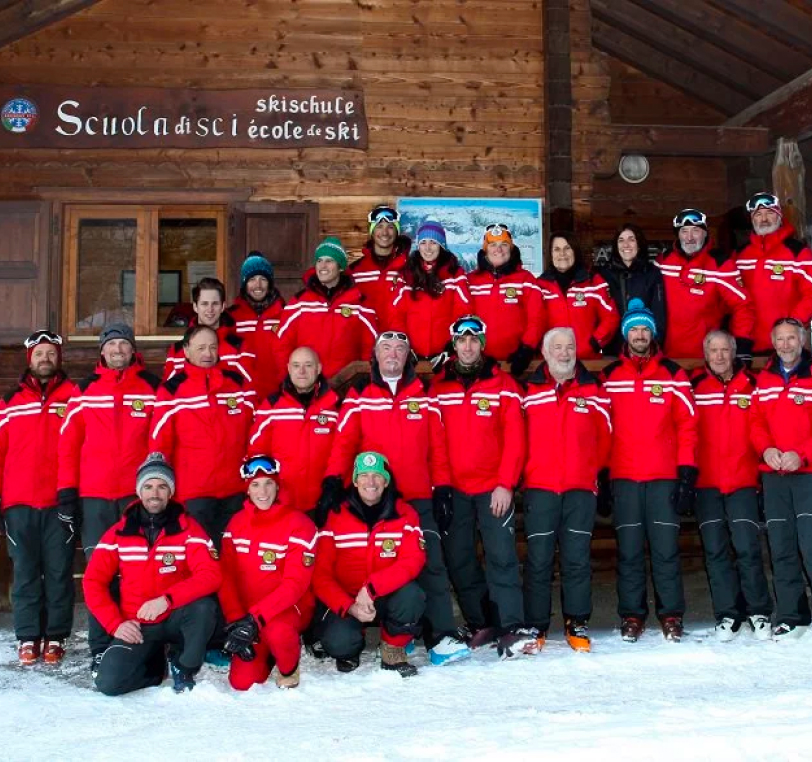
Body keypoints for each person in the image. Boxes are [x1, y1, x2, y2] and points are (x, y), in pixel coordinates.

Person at [322, 331, 470, 664]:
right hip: (372, 497)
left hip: (416, 496)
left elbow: (438, 446)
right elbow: (344, 442)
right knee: (370, 562)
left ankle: (440, 637)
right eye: (386, 348)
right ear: (375, 355)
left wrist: (443, 486)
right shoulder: (360, 393)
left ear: (408, 357)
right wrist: (333, 479)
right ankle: (364, 624)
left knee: (431, 564)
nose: (393, 354)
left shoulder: (424, 393)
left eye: (400, 349)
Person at [431, 315, 538, 657]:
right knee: (459, 558)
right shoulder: (438, 387)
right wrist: (442, 486)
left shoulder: (503, 384)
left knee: (501, 557)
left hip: (493, 488)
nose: (467, 346)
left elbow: (515, 439)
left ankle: (511, 625)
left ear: (482, 343)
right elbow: (436, 442)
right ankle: (482, 623)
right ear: (454, 344)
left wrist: (506, 484)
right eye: (461, 340)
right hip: (456, 489)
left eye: (474, 340)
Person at [57, 323, 161, 672]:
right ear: (102, 351)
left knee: (139, 571)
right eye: (111, 344)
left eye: (124, 344)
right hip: (95, 496)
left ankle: (141, 639)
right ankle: (101, 644)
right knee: (100, 573)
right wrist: (67, 494)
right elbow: (68, 446)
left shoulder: (151, 387)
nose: (118, 350)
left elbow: (158, 442)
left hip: (137, 497)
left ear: (133, 351)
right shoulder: (83, 390)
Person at [84, 453, 221, 695]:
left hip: (175, 617)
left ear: (171, 492)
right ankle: (156, 668)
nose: (154, 493)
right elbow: (93, 581)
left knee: (204, 607)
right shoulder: (119, 532)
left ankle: (184, 665)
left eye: (161, 486)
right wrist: (116, 625)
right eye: (148, 486)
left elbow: (210, 574)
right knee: (108, 684)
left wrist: (167, 600)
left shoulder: (189, 529)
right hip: (138, 624)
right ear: (139, 491)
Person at [601, 299, 698, 642]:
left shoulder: (672, 374)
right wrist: (602, 471)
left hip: (662, 478)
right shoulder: (610, 376)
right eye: (634, 330)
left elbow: (688, 426)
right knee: (628, 551)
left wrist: (686, 472)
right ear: (626, 335)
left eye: (645, 329)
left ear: (652, 333)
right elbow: (600, 426)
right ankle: (632, 615)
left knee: (665, 550)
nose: (640, 335)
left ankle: (671, 614)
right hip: (624, 477)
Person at [521, 327, 611, 652]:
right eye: (557, 347)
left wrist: (594, 473)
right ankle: (536, 625)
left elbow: (605, 437)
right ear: (545, 353)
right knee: (539, 560)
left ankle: (577, 621)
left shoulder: (594, 389)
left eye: (569, 346)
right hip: (540, 487)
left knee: (576, 559)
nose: (564, 352)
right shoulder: (529, 390)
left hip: (579, 489)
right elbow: (518, 438)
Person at [313, 452, 425, 677]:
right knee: (339, 644)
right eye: (363, 476)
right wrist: (350, 606)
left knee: (412, 596)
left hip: (386, 594)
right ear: (354, 481)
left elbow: (414, 560)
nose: (370, 482)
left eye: (377, 476)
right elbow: (320, 575)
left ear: (386, 481)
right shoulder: (336, 515)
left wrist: (373, 587)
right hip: (348, 599)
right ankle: (352, 646)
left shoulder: (405, 513)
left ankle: (392, 647)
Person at [691, 330, 772, 641]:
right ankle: (728, 613)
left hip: (742, 481)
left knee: (748, 548)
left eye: (725, 350)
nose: (720, 356)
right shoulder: (696, 387)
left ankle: (759, 611)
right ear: (706, 354)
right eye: (714, 350)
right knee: (715, 550)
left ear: (734, 352)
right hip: (707, 483)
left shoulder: (752, 385)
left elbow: (762, 427)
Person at [0, 330, 74, 665]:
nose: (45, 359)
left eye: (51, 353)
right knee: (26, 572)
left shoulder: (74, 396)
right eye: (39, 354)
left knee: (59, 572)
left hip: (58, 501)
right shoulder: (9, 401)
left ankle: (56, 636)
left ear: (59, 358)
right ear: (29, 359)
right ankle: (28, 637)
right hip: (18, 503)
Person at [150, 325, 255, 548]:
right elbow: (159, 444)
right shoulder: (171, 390)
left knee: (233, 558)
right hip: (194, 493)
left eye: (212, 347)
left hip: (234, 489)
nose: (207, 354)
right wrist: (161, 486)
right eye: (201, 348)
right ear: (186, 351)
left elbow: (254, 432)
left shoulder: (237, 384)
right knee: (200, 558)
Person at [219, 455, 317, 690]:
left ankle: (288, 667)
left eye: (268, 483)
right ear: (248, 490)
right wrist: (236, 622)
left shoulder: (299, 524)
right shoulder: (236, 524)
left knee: (279, 633)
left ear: (277, 485)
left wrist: (255, 618)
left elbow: (295, 584)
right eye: (255, 484)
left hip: (285, 611)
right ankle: (268, 654)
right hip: (248, 618)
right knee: (242, 683)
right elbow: (226, 576)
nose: (262, 491)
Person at [750, 317, 812, 640]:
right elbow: (756, 422)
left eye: (792, 338)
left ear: (802, 341)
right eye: (780, 339)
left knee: (810, 543)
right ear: (773, 343)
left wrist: (801, 454)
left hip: (807, 474)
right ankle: (792, 614)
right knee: (782, 545)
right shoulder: (765, 380)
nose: (786, 345)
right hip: (774, 475)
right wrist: (767, 449)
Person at [248, 347, 341, 513]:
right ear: (289, 368)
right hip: (283, 502)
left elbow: (342, 451)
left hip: (323, 501)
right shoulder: (272, 405)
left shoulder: (335, 406)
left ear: (318, 368)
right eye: (296, 366)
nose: (302, 371)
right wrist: (268, 491)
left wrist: (332, 488)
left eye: (308, 365)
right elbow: (257, 452)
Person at [655, 209, 754, 361]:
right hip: (666, 358)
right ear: (678, 235)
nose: (689, 237)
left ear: (705, 233)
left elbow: (742, 305)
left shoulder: (720, 264)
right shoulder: (664, 261)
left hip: (707, 359)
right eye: (684, 231)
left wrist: (741, 344)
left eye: (696, 231)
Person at [277, 237, 378, 379]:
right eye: (319, 261)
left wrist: (363, 381)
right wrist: (288, 381)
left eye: (329, 261)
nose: (322, 266)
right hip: (308, 387)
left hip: (347, 386)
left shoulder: (359, 303)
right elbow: (282, 346)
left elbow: (370, 348)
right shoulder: (299, 303)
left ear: (340, 266)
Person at [736, 193, 812, 355]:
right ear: (752, 219)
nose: (764, 219)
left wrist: (791, 325)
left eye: (770, 213)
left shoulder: (798, 252)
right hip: (748, 345)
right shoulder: (740, 255)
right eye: (758, 214)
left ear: (779, 217)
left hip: (787, 346)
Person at [390, 220, 471, 368]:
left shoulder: (455, 274)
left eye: (433, 242)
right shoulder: (406, 275)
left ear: (441, 245)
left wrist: (451, 347)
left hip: (445, 357)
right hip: (412, 357)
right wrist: (404, 345)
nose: (427, 248)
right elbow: (396, 315)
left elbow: (463, 312)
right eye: (423, 242)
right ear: (418, 245)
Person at [467, 224, 545, 376]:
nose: (499, 249)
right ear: (485, 249)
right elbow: (463, 318)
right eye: (493, 245)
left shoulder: (525, 279)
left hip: (516, 364)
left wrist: (526, 349)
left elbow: (537, 317)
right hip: (479, 364)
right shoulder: (471, 281)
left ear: (511, 249)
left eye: (504, 245)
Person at [537, 232, 619, 359]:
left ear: (575, 251)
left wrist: (595, 342)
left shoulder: (593, 281)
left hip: (587, 361)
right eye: (556, 249)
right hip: (552, 362)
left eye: (567, 248)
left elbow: (611, 316)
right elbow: (533, 322)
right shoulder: (540, 286)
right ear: (550, 254)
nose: (562, 254)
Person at [164, 277, 255, 385]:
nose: (210, 309)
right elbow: (169, 393)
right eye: (204, 304)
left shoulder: (240, 348)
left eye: (215, 304)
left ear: (222, 307)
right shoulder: (178, 350)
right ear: (195, 307)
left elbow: (248, 392)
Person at [596, 223, 666, 356]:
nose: (626, 245)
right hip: (613, 349)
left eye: (631, 239)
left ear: (639, 244)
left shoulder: (652, 274)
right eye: (621, 240)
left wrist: (656, 346)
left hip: (644, 348)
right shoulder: (604, 275)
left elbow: (659, 314)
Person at [226, 252, 286, 400]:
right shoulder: (231, 317)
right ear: (244, 283)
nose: (258, 285)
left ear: (270, 283)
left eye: (263, 279)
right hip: (242, 397)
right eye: (252, 279)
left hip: (277, 396)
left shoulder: (286, 313)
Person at [349, 204, 411, 328]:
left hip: (398, 342)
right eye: (379, 226)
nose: (385, 232)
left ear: (397, 231)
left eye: (390, 227)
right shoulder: (355, 271)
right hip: (366, 341)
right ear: (371, 231)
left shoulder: (410, 267)